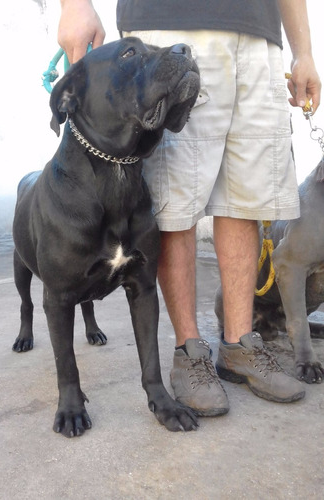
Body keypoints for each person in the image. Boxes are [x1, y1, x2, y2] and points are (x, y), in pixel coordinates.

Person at [58, 0, 321, 416]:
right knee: (174, 204)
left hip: (260, 38)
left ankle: (239, 345)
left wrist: (303, 50)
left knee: (247, 201)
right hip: (172, 22)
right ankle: (190, 352)